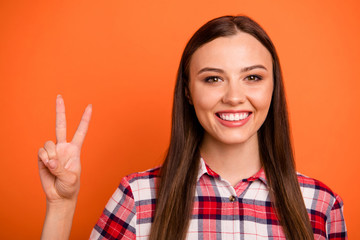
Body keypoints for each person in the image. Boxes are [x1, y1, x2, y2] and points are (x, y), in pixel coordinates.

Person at [38, 16, 347, 240]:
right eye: (213, 78)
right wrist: (61, 206)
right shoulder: (139, 197)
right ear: (187, 91)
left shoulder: (321, 205)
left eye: (252, 77)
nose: (234, 97)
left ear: (273, 87)